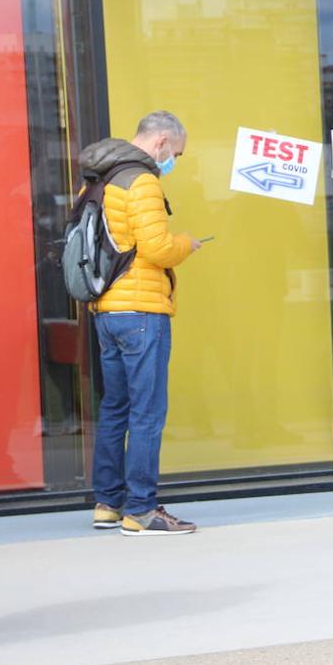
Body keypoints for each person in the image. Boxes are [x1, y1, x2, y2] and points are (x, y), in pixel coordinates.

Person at [85, 111, 202, 535]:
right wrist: (186, 244)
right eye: (177, 154)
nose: (174, 161)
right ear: (162, 142)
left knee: (116, 407)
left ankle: (107, 503)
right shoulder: (142, 180)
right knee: (147, 412)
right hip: (141, 311)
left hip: (107, 310)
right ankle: (142, 510)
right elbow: (155, 248)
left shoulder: (98, 179)